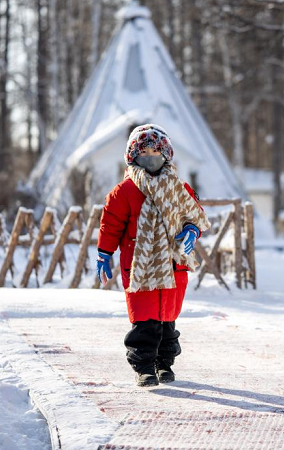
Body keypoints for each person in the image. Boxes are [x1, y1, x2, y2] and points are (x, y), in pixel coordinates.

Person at [96, 123, 210, 387]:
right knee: (145, 322)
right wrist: (104, 252)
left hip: (172, 266)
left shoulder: (178, 188)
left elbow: (194, 215)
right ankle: (144, 368)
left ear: (165, 155)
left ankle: (164, 364)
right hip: (140, 266)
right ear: (133, 157)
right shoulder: (124, 191)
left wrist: (191, 231)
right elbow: (110, 225)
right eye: (143, 153)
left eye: (155, 153)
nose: (150, 158)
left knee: (167, 321)